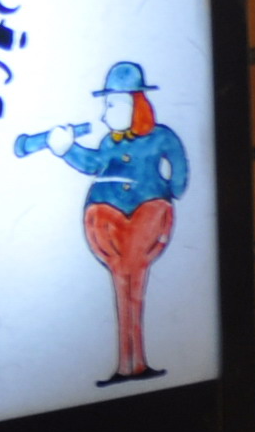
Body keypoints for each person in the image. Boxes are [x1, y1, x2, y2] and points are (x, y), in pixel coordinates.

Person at [16, 61, 188, 385]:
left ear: (134, 104)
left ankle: (132, 364)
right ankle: (128, 365)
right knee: (125, 285)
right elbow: (92, 163)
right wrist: (66, 149)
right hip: (108, 221)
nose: (105, 114)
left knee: (131, 285)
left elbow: (179, 167)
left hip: (147, 217)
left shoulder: (161, 137)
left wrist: (170, 192)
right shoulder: (110, 142)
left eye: (111, 105)